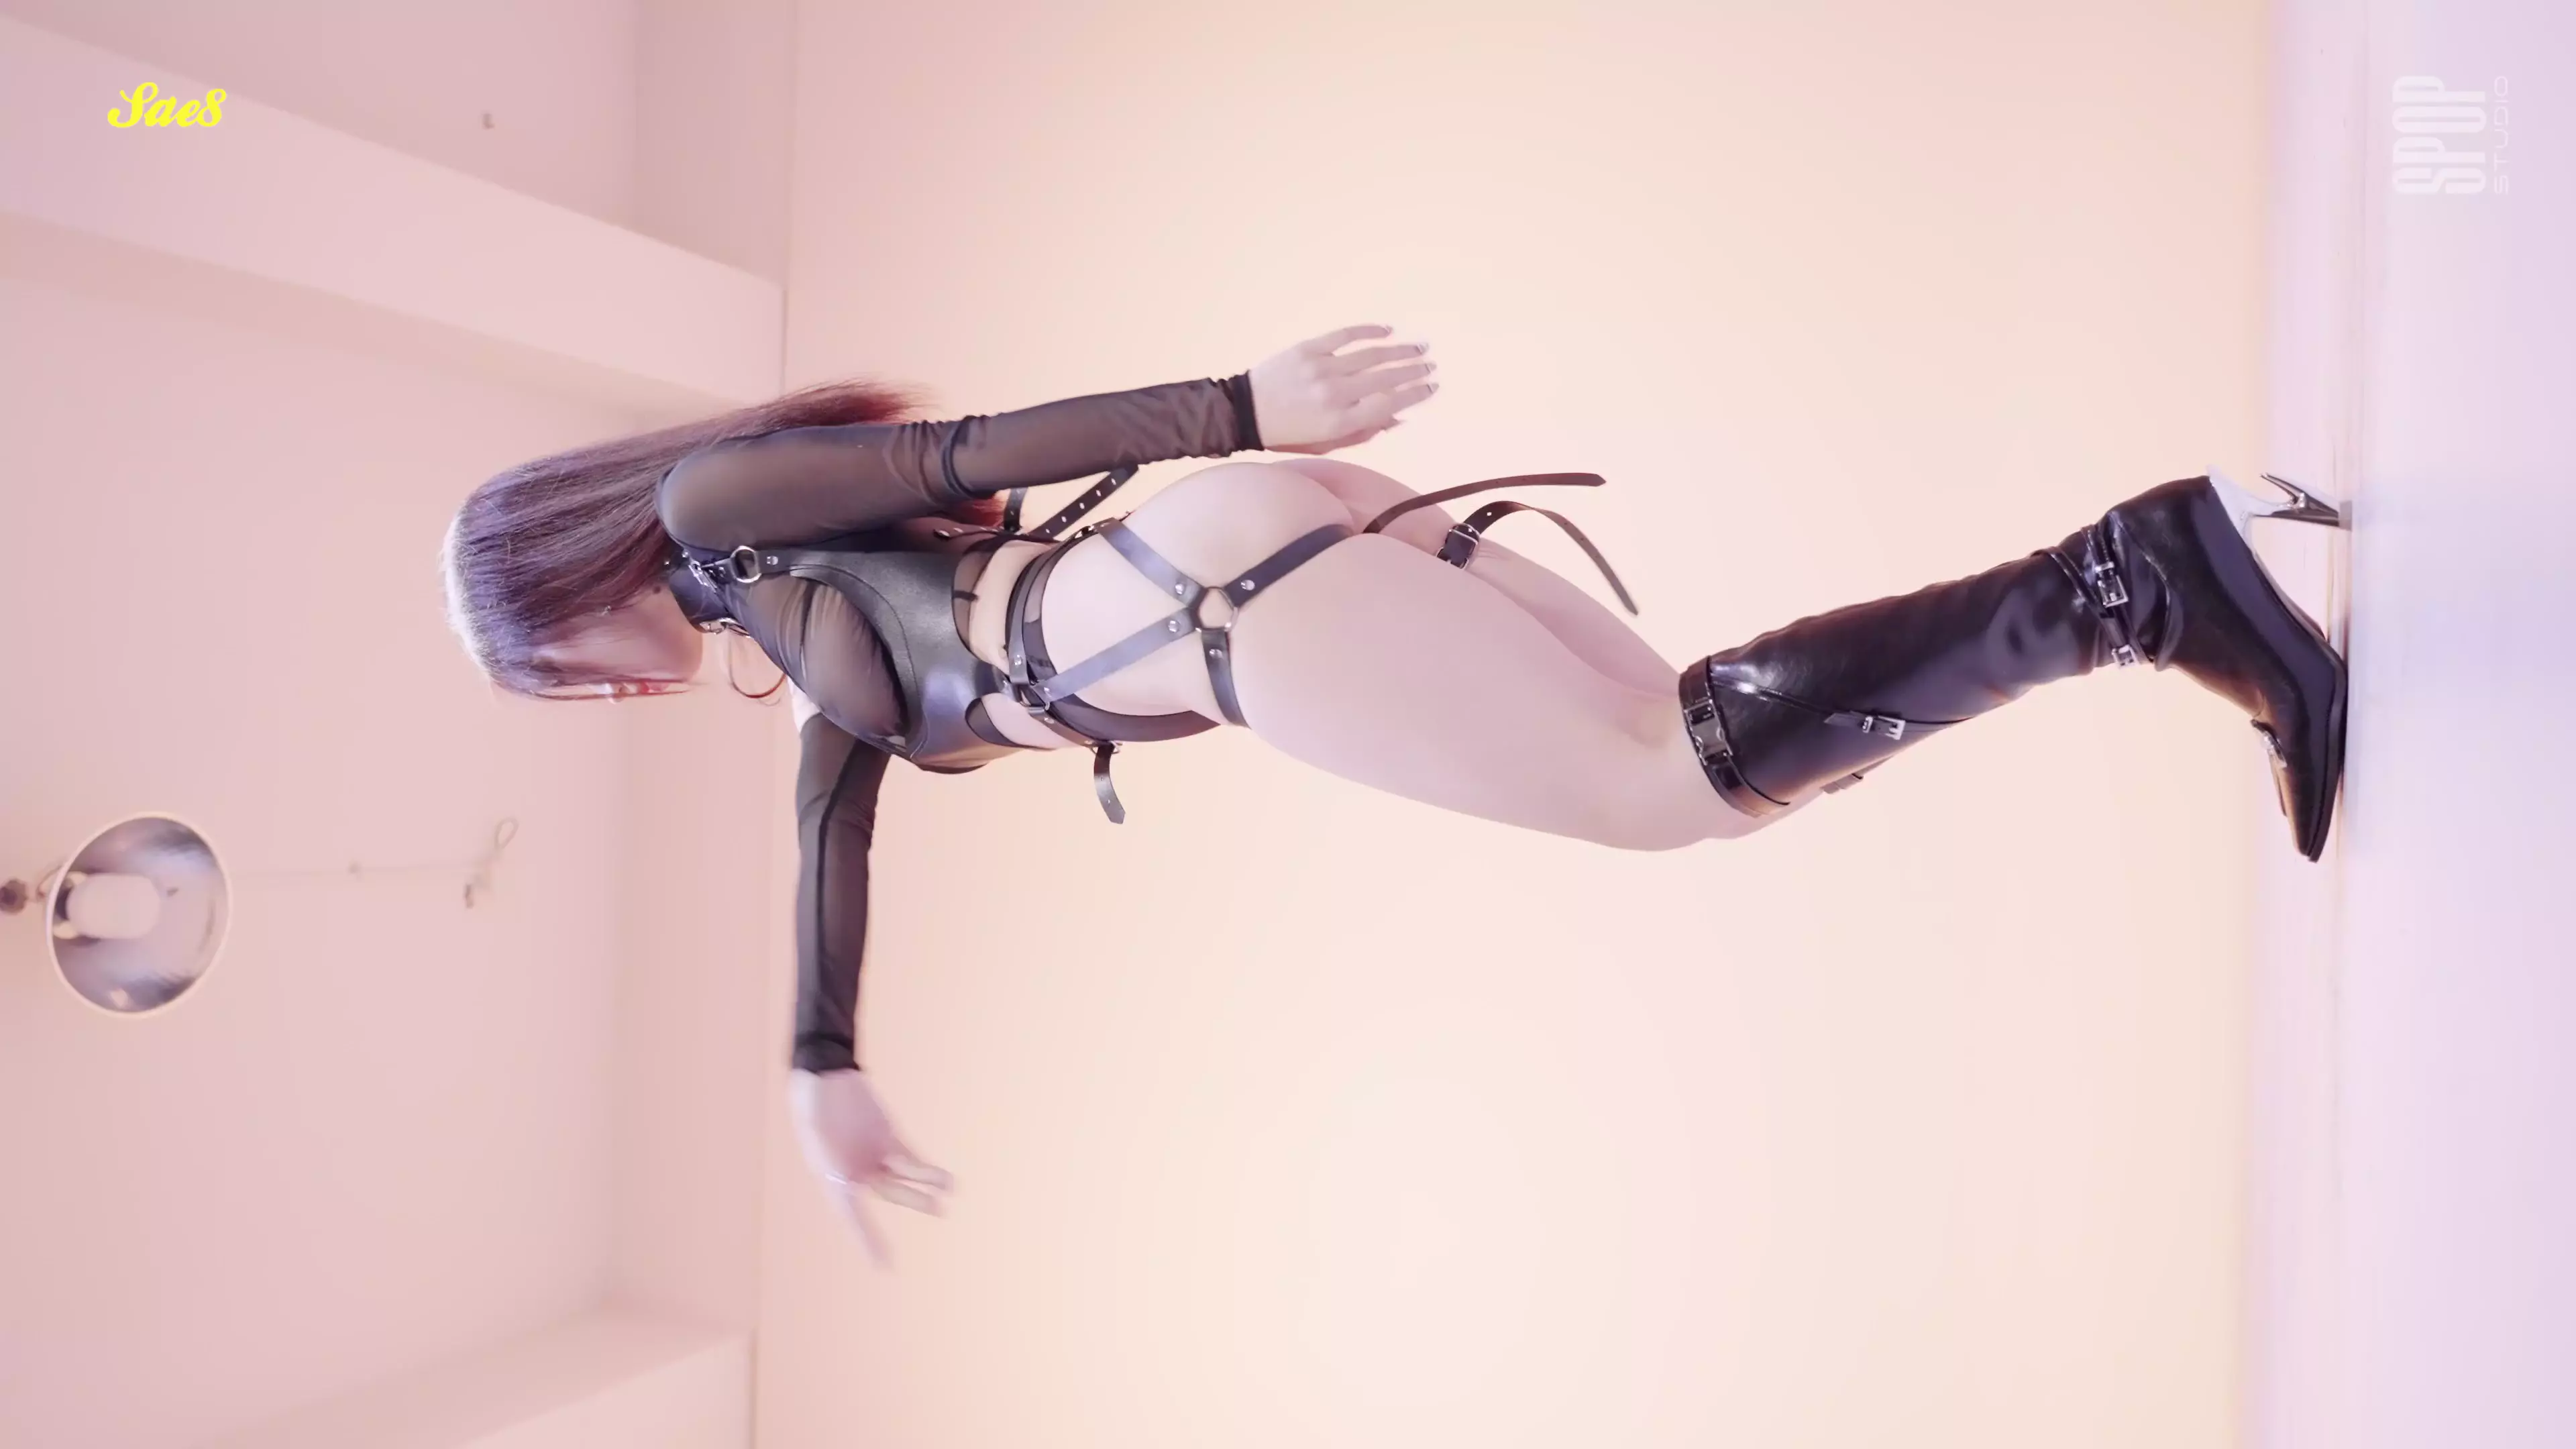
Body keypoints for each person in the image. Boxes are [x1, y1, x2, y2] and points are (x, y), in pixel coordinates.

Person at [441, 324, 2346, 1259]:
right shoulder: (781, 625)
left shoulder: (712, 510)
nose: (605, 698)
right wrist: (821, 1063)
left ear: (559, 591)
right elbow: (828, 826)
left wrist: (1237, 407)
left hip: (1208, 602)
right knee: (1690, 742)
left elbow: (961, 450)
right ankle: (2155, 591)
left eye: (563, 673)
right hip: (1228, 563)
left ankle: (2142, 580)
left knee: (1666, 789)